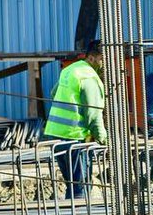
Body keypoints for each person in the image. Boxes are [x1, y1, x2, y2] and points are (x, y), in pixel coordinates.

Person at [44, 40, 108, 199]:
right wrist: (104, 140)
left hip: (55, 135)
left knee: (73, 185)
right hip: (73, 138)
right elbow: (94, 115)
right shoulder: (89, 77)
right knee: (82, 187)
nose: (104, 65)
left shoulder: (71, 69)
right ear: (92, 58)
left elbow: (53, 93)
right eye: (102, 60)